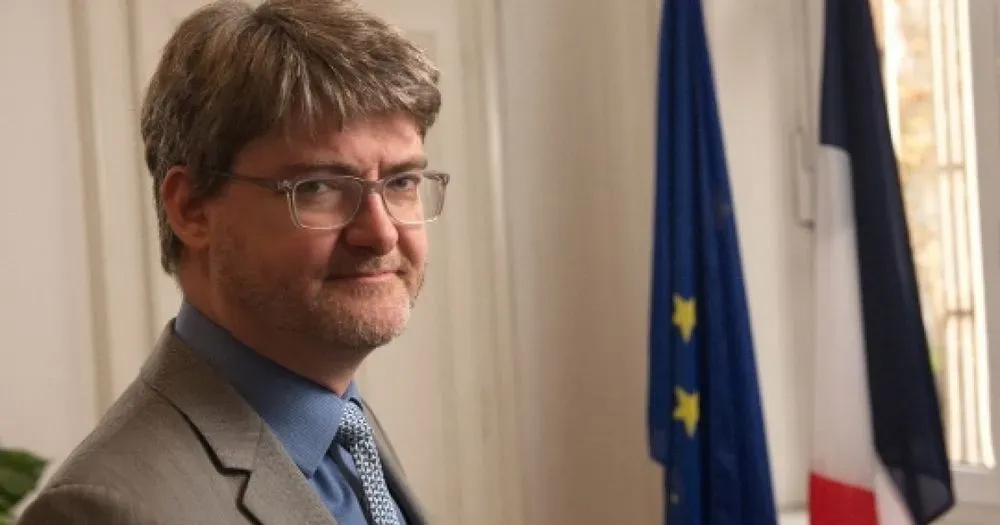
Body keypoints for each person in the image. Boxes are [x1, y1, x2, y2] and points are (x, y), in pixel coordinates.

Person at [18, 0, 446, 523]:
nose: (380, 233)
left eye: (401, 182)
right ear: (191, 208)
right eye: (318, 187)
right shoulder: (104, 510)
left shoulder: (343, 427)